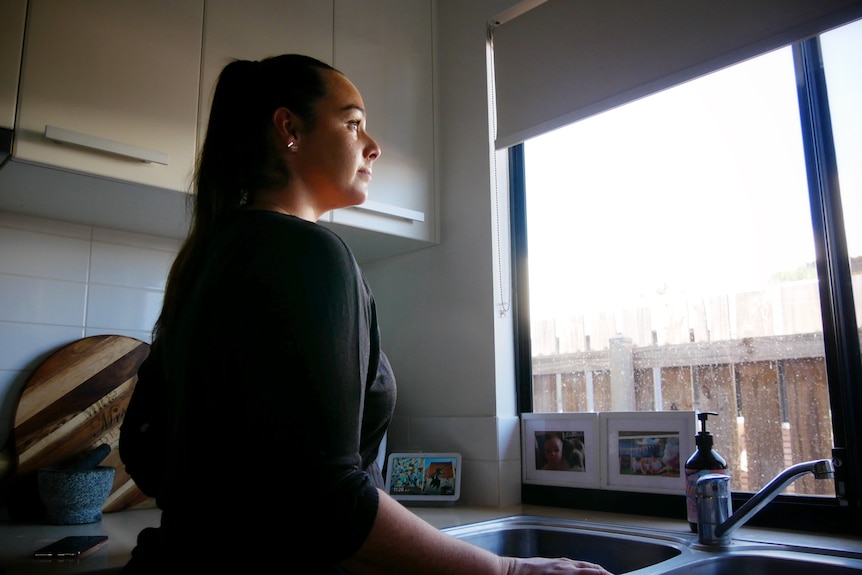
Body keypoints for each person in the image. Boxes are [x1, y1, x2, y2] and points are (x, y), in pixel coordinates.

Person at [118, 54, 613, 575]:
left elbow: (145, 455)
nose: (373, 146)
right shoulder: (308, 253)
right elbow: (328, 501)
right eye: (353, 124)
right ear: (289, 129)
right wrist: (507, 571)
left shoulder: (205, 262)